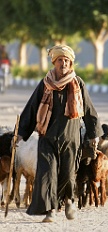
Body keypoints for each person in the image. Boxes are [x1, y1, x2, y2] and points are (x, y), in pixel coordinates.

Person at [16, 45, 103, 222]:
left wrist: (94, 133)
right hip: (47, 138)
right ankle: (50, 210)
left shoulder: (77, 83)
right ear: (54, 62)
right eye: (60, 60)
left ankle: (69, 200)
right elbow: (32, 108)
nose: (63, 63)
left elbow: (88, 110)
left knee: (68, 173)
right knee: (47, 173)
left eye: (66, 60)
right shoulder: (45, 84)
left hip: (71, 138)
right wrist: (19, 133)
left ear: (71, 63)